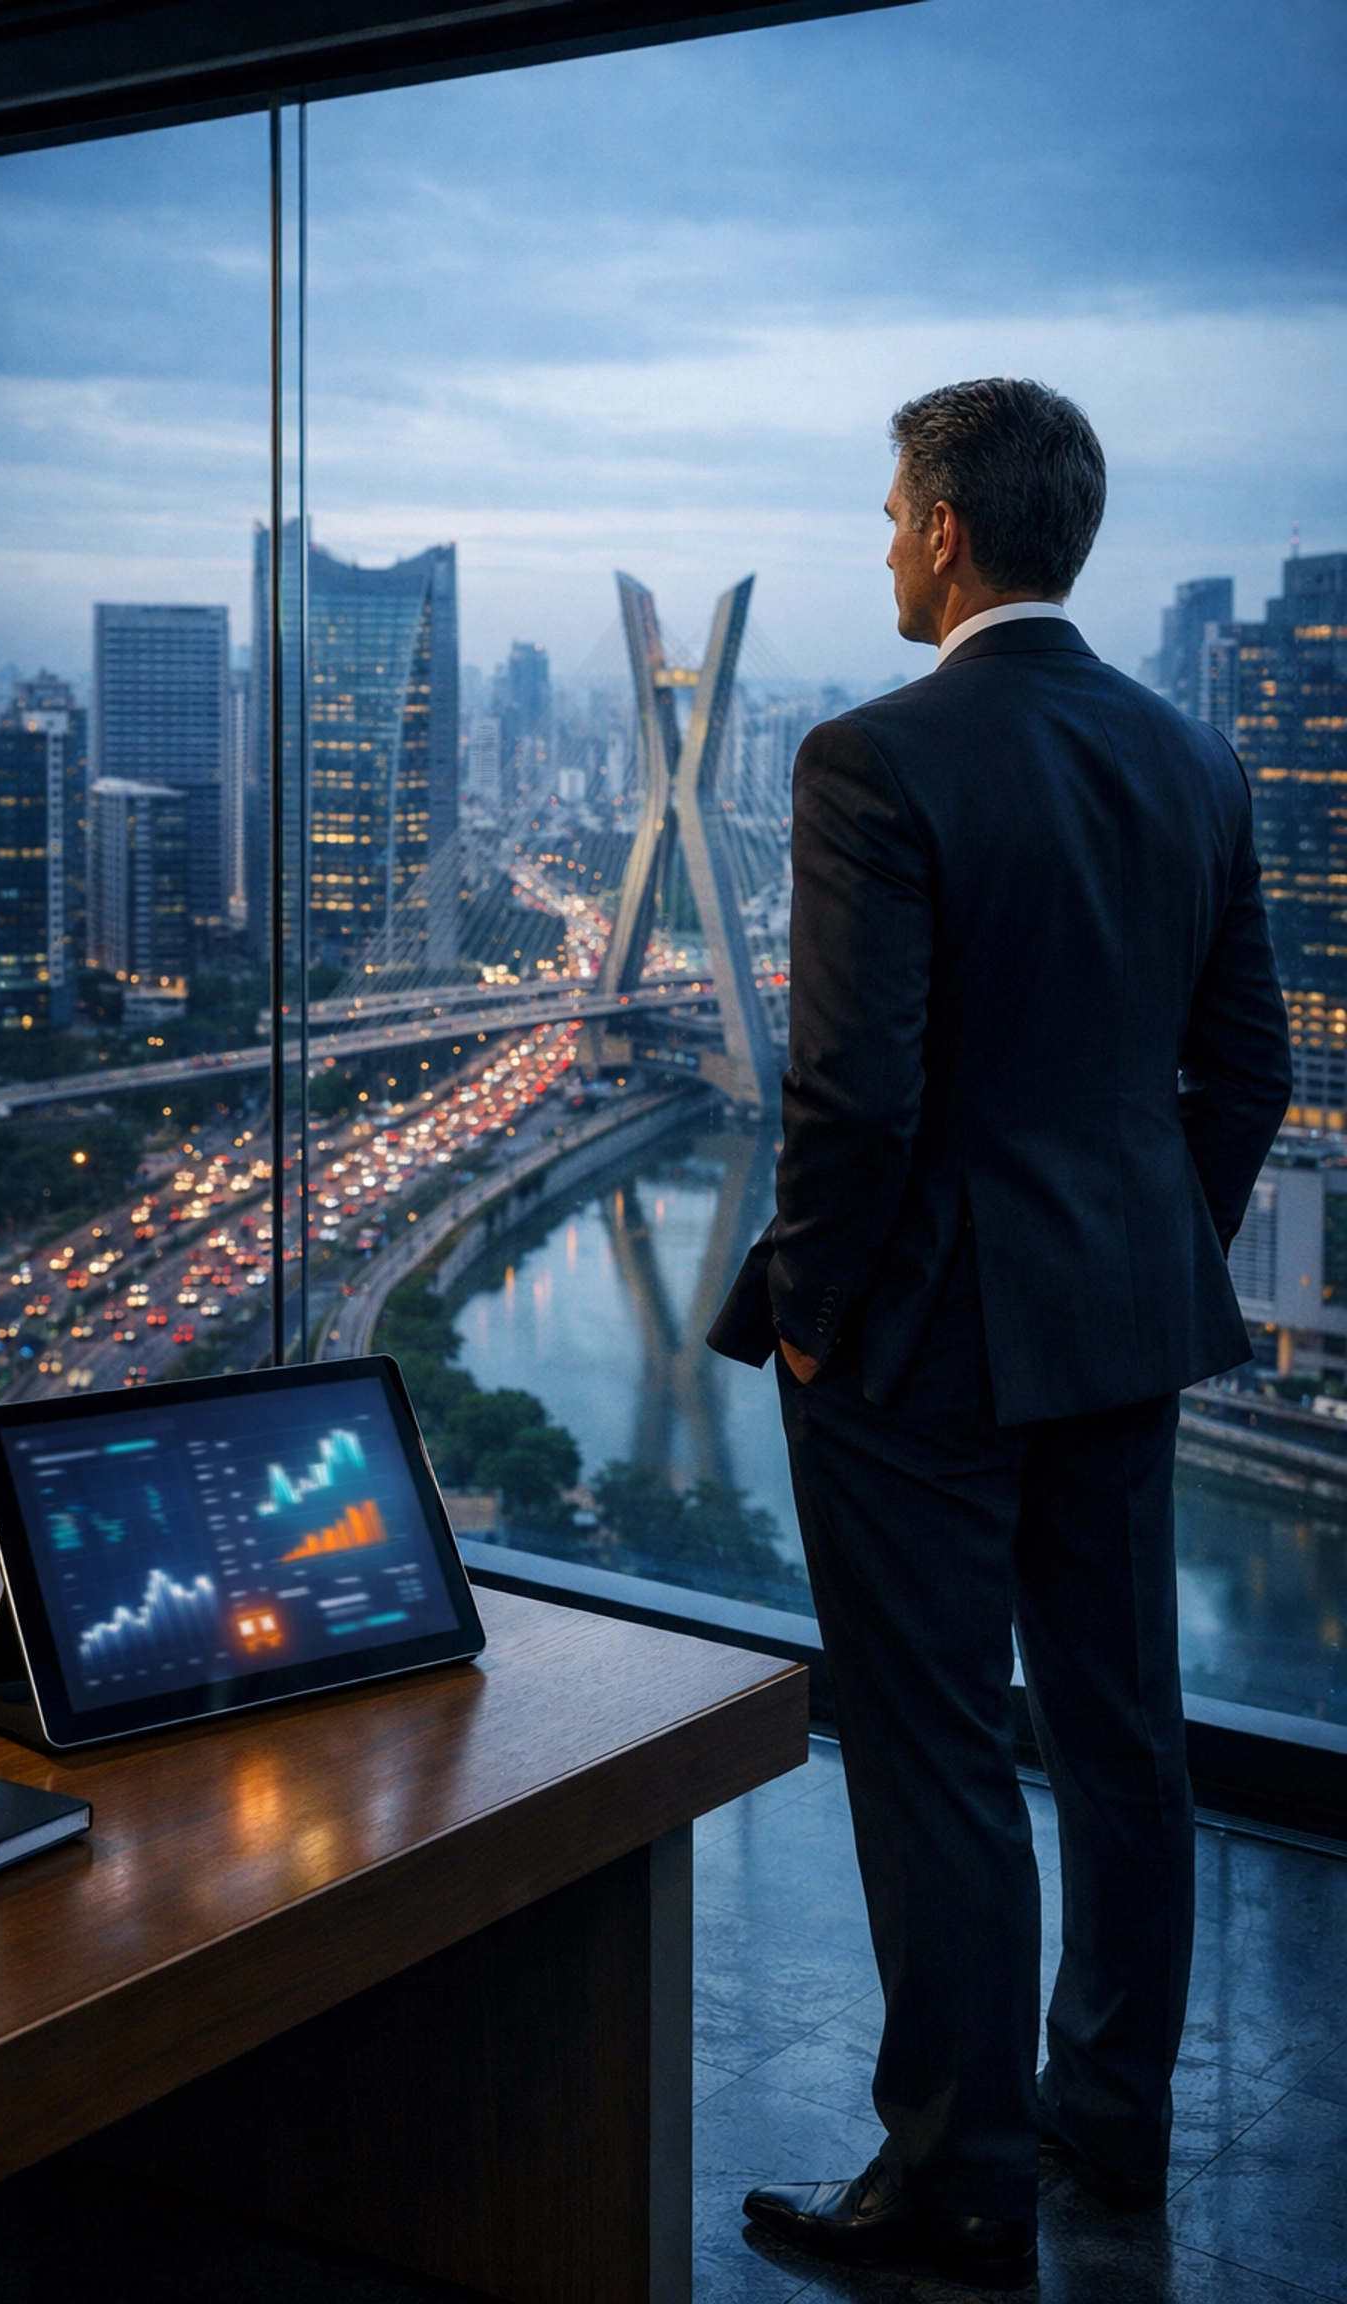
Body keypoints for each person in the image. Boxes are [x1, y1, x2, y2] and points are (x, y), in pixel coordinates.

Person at [708, 377, 1292, 2293]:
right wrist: (1140, 1254)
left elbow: (854, 1100)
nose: (882, 541)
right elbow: (1247, 1074)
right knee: (1127, 1737)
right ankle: (1107, 2131)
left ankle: (958, 2181)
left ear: (949, 530)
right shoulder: (1195, 760)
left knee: (934, 1746)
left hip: (920, 1351)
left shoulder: (870, 758)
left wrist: (808, 1317)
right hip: (1117, 1331)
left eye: (891, 513)